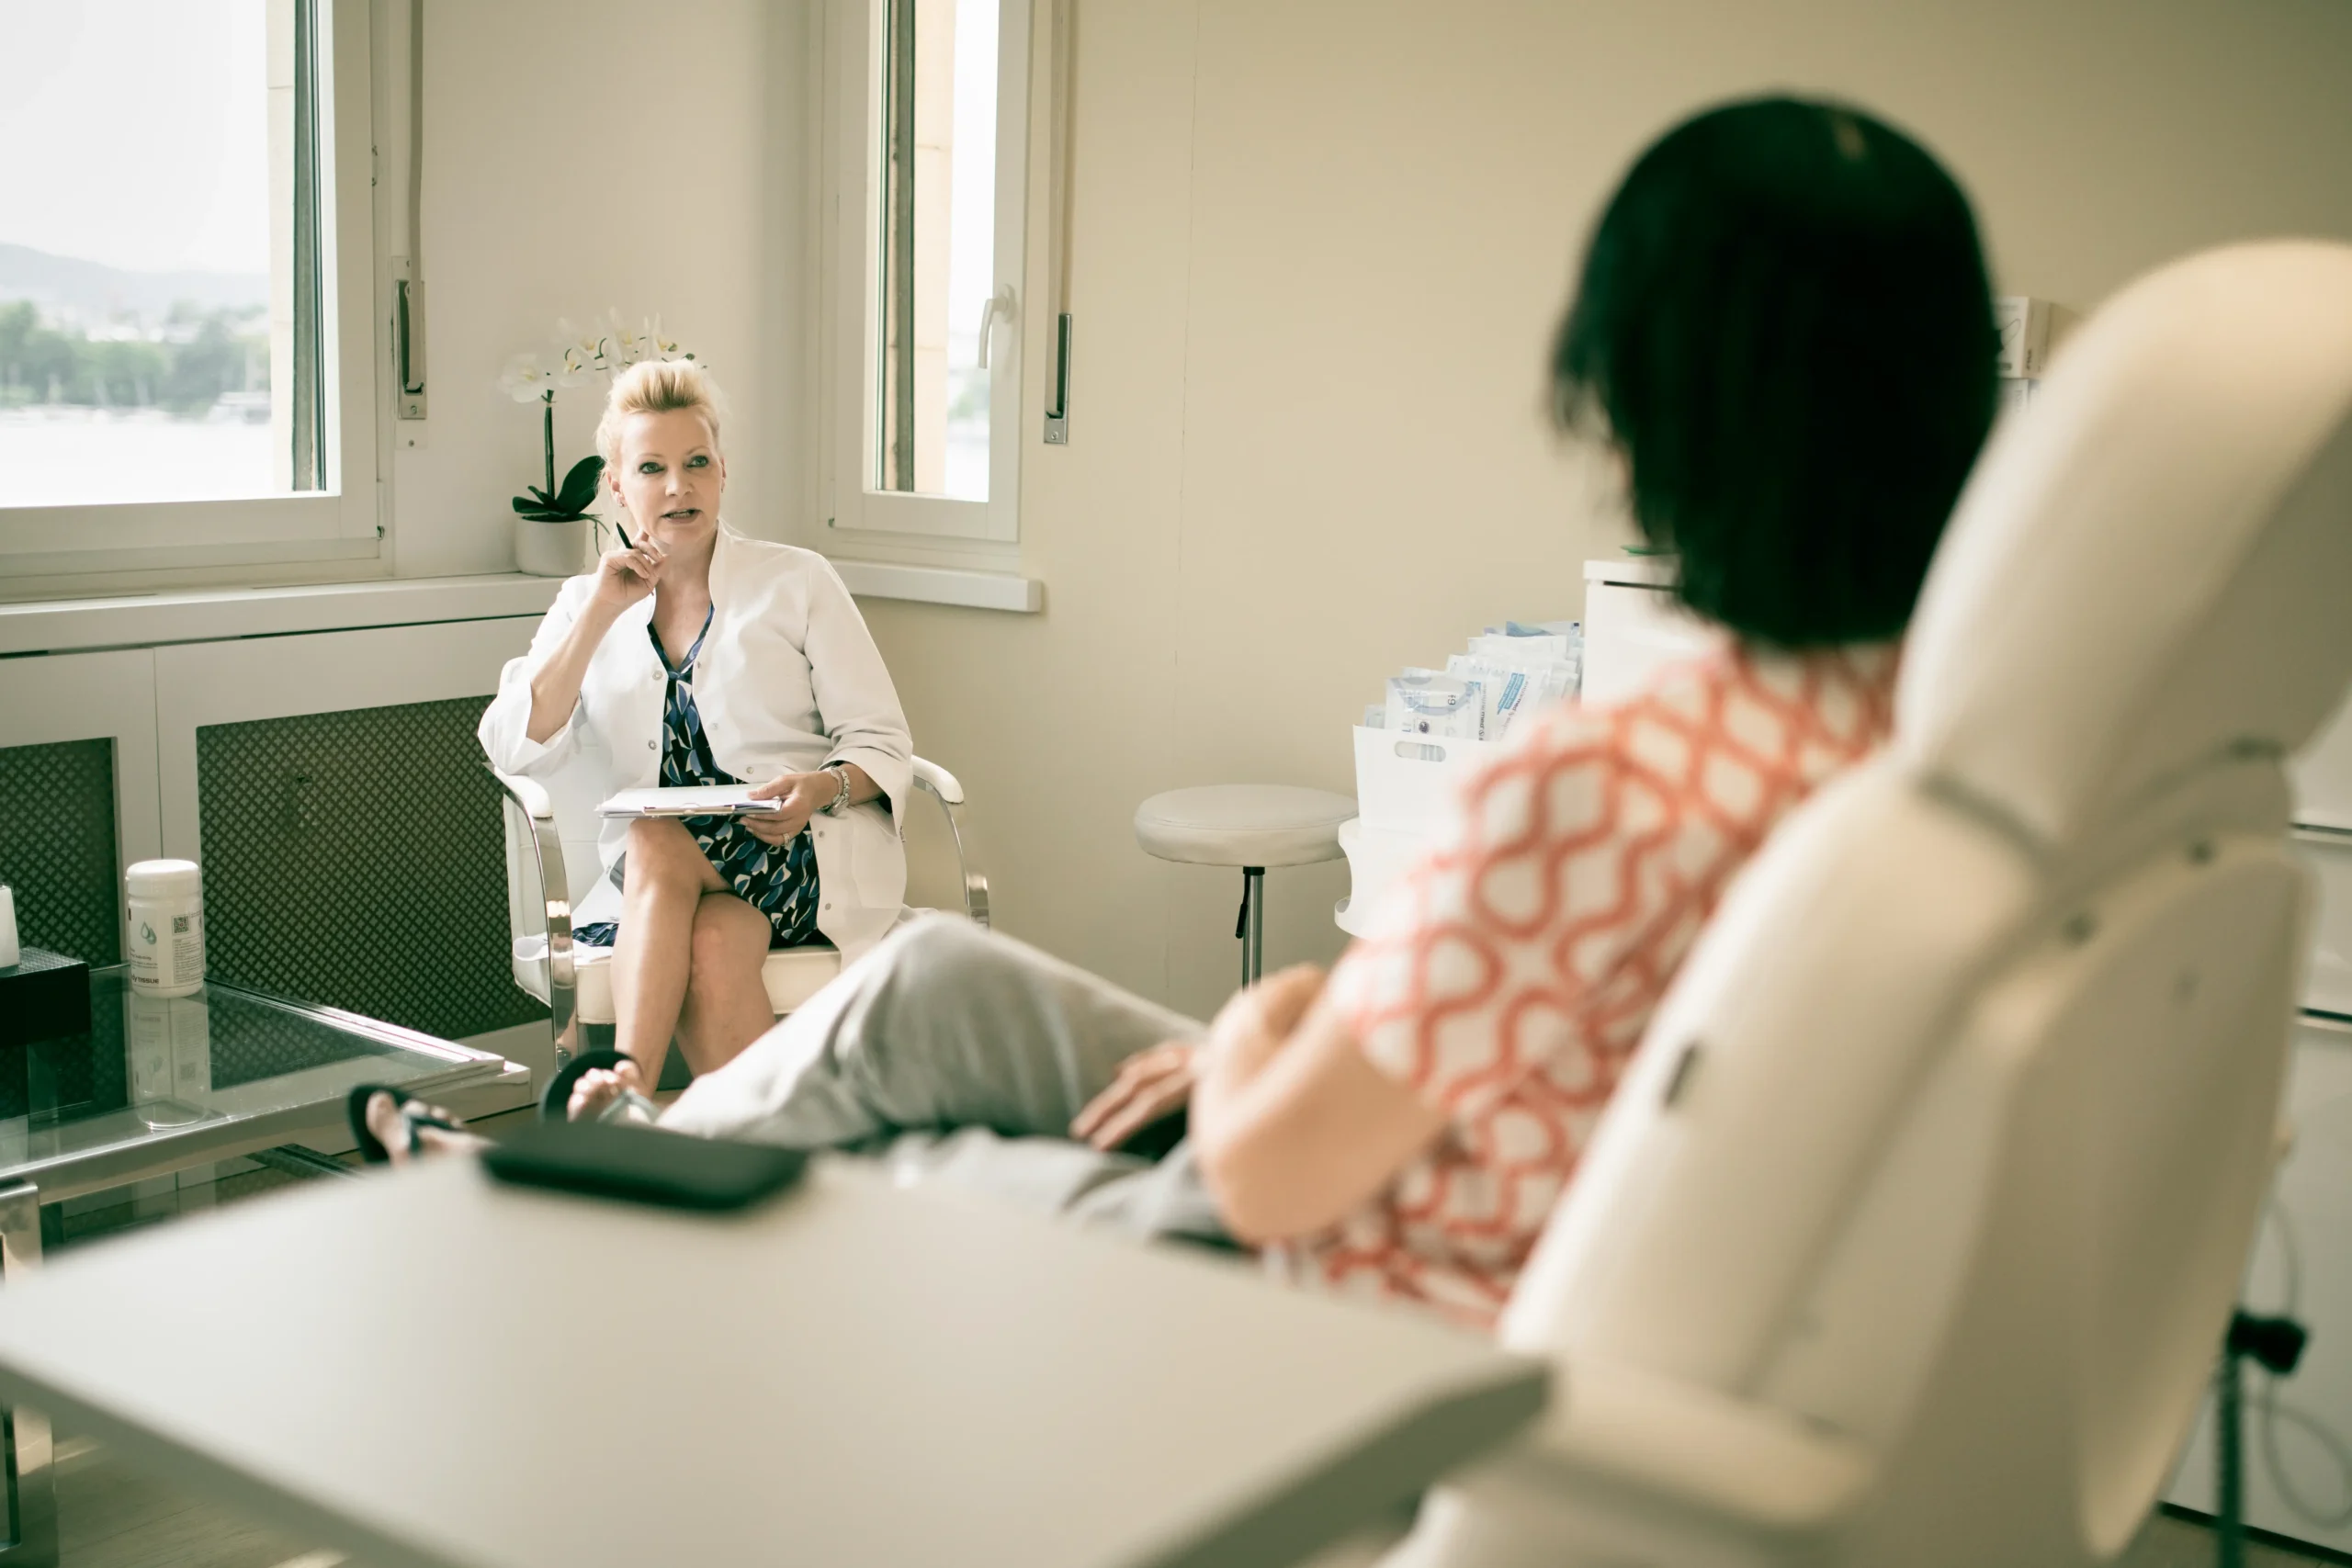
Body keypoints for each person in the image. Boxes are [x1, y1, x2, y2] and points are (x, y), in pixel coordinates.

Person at [373, 95, 1996, 1337]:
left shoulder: (1598, 788)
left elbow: (1281, 1171)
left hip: (1329, 1238)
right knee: (931, 981)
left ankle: (558, 1202)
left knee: (906, 1149)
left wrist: (1278, 1025)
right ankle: (607, 1160)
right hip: (1423, 1130)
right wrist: (1288, 1037)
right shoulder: (1938, 759)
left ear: (1639, 412)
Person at [477, 359, 913, 1089]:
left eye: (696, 463)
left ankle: (626, 1089)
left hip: (796, 851)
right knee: (712, 943)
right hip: (678, 894)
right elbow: (512, 741)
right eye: (652, 467)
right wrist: (598, 613)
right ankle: (771, 1156)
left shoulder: (796, 579)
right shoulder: (587, 601)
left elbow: (882, 740)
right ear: (617, 485)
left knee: (653, 840)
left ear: (721, 472)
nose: (678, 485)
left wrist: (818, 786)